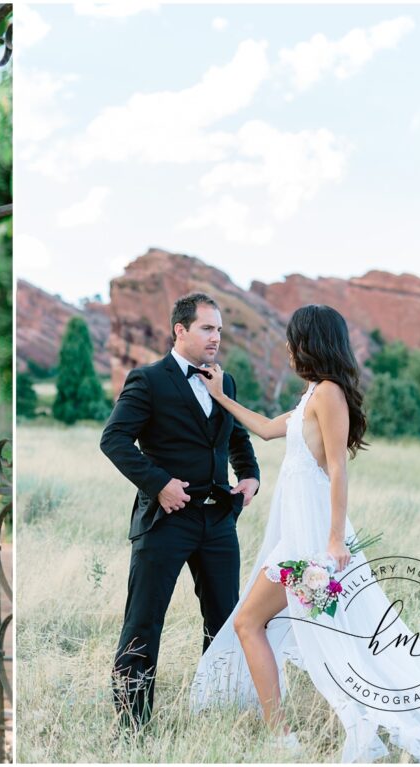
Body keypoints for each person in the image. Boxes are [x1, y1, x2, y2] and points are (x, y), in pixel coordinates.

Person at [190, 304, 420, 762]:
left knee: (256, 624)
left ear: (309, 341)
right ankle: (282, 731)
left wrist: (332, 542)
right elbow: (268, 430)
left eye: (293, 338)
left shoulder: (329, 395)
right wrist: (222, 396)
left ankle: (281, 734)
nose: (288, 346)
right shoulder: (313, 394)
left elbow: (338, 470)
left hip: (311, 547)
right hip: (299, 541)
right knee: (308, 632)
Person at [100, 292, 260, 730]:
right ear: (181, 330)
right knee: (144, 621)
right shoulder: (148, 380)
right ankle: (132, 725)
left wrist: (250, 475)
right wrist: (160, 484)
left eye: (220, 330)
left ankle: (215, 713)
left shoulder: (224, 383)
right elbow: (113, 440)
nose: (216, 338)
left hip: (218, 521)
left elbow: (236, 438)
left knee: (225, 622)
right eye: (208, 328)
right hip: (165, 521)